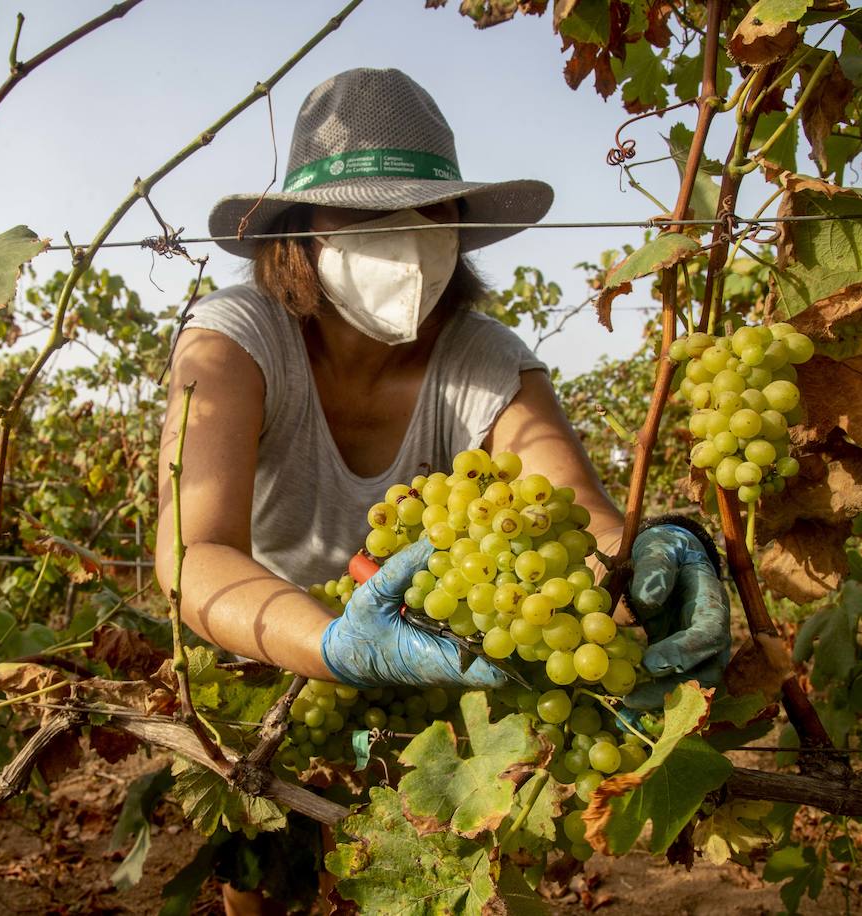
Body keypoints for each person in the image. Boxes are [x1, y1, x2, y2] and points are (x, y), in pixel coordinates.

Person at [155, 67, 730, 912]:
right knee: (267, 889)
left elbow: (579, 519)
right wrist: (332, 647)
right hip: (259, 656)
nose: (403, 235)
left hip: (423, 681)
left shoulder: (484, 358)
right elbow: (191, 555)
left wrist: (658, 553)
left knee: (403, 873)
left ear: (460, 226)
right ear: (300, 234)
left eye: (430, 212)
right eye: (365, 212)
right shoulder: (234, 341)